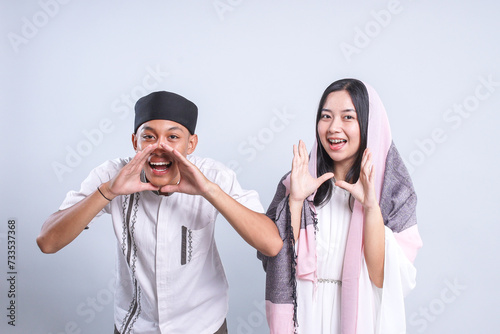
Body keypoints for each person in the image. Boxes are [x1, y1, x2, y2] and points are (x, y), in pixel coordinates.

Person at [37, 91, 283, 334]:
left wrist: (210, 192)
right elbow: (47, 241)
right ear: (135, 142)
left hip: (204, 326)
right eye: (149, 137)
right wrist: (107, 192)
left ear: (191, 143)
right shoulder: (112, 175)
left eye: (173, 136)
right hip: (134, 326)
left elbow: (271, 245)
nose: (160, 147)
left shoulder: (214, 176)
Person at [258, 79, 423, 333]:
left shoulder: (392, 191)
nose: (334, 128)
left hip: (359, 317)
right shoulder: (299, 182)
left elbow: (383, 279)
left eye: (348, 117)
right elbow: (276, 258)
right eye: (326, 116)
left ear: (368, 124)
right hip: (306, 315)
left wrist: (370, 206)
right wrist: (295, 200)